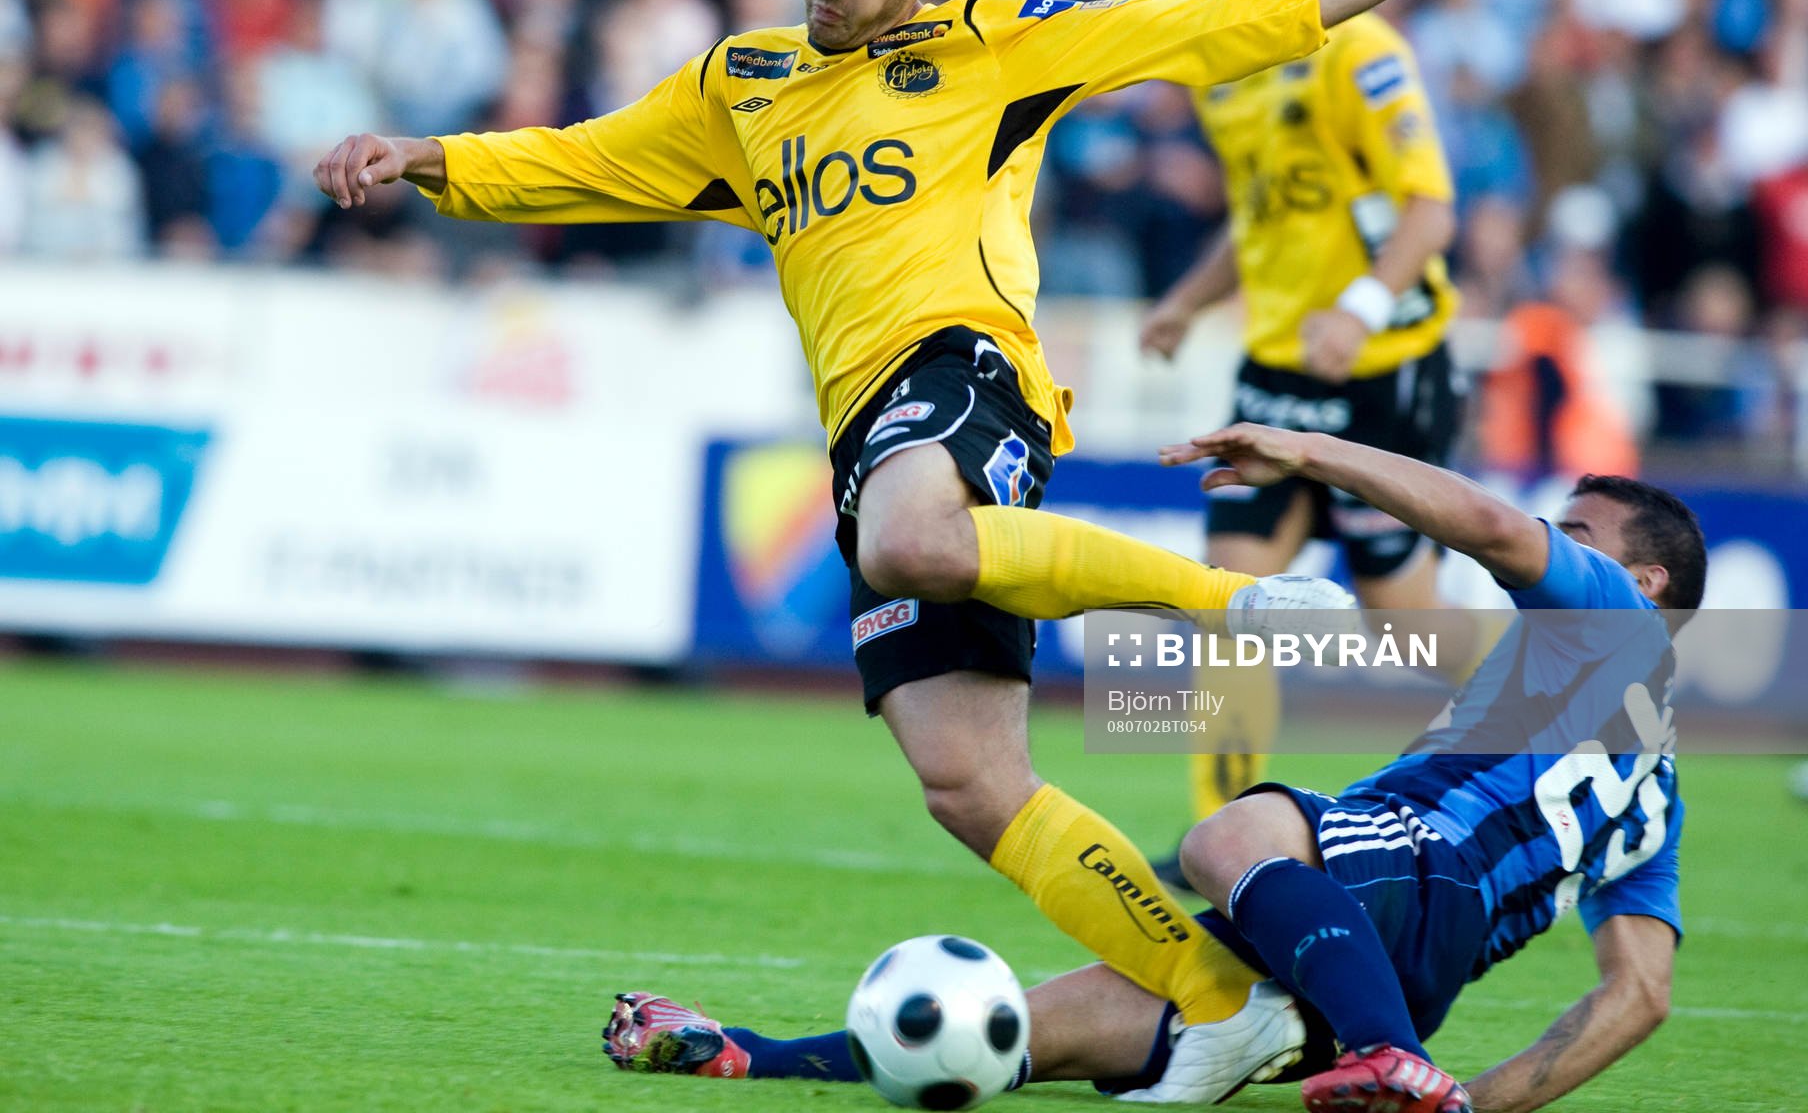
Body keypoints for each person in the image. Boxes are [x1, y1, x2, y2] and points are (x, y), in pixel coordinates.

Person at [314, 0, 1524, 1069]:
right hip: (862, 437)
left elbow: (1191, 25)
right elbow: (589, 160)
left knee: (911, 536)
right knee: (967, 780)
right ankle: (1226, 998)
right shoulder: (744, 83)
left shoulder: (990, 48)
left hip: (963, 380)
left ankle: (1238, 602)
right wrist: (427, 158)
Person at [605, 424, 1699, 1113]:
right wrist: (1482, 1095)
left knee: (1226, 835)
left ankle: (1388, 1056)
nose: (1561, 548)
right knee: (1023, 1026)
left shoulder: (1606, 617)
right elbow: (1636, 994)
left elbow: (1487, 523)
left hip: (1408, 876)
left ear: (1643, 580)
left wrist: (1308, 450)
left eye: (1585, 535)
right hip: (1393, 961)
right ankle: (741, 1056)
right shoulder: (1657, 789)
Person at [1138, 0, 1473, 833]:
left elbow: (1430, 207)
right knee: (1225, 602)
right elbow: (1259, 222)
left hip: (1383, 370)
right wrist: (1186, 302)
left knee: (1404, 626)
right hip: (1275, 372)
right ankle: (1223, 831)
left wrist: (1361, 308)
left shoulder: (1357, 47)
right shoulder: (1225, 72)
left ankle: (1559, 713)